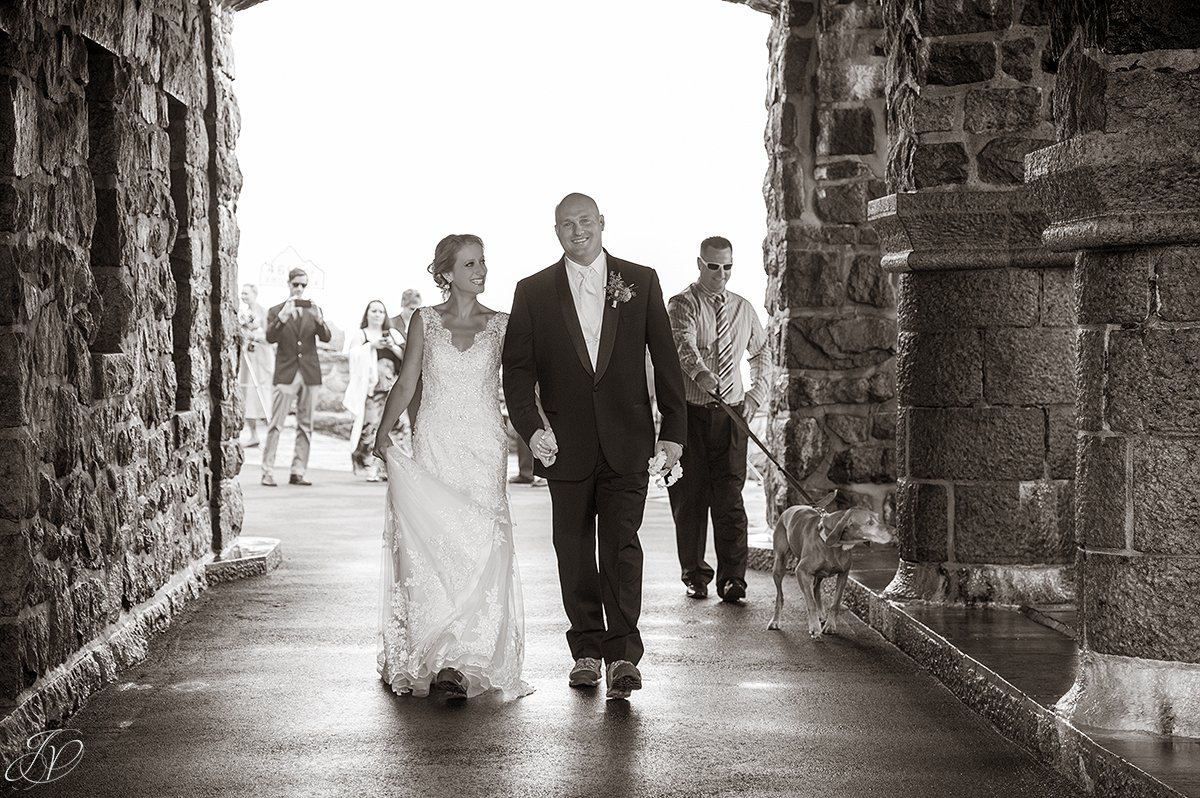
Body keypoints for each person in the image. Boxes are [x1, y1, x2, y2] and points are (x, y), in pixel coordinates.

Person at [502, 193, 687, 700]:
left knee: (622, 547)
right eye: (566, 224)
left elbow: (667, 363)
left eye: (585, 221)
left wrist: (673, 432)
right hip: (563, 445)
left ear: (602, 223)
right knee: (574, 549)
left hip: (629, 441)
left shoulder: (641, 280)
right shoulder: (532, 291)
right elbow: (517, 373)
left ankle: (623, 655)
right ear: (555, 231)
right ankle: (585, 649)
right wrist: (530, 428)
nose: (576, 229)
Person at [372, 234, 531, 701]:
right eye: (469, 264)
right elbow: (407, 382)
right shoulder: (424, 321)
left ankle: (470, 658)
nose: (480, 271)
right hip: (436, 439)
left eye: (482, 262)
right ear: (446, 273)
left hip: (483, 443)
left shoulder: (502, 324)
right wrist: (382, 433)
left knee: (483, 542)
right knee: (437, 542)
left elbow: (524, 381)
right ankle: (440, 656)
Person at [666, 236, 769, 603]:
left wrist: (757, 394)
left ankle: (733, 580)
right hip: (691, 416)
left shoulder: (743, 308)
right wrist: (703, 375)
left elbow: (761, 351)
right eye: (713, 266)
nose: (721, 274)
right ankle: (695, 575)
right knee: (690, 500)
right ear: (699, 263)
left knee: (730, 499)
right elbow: (683, 346)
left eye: (727, 266)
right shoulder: (682, 304)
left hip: (732, 417)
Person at [261, 268, 331, 487]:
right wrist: (282, 318)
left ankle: (298, 471)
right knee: (276, 424)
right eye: (296, 284)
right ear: (289, 284)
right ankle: (267, 471)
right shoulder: (275, 310)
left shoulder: (314, 310)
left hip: (309, 374)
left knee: (305, 425)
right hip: (286, 373)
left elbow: (326, 338)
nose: (300, 289)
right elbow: (270, 337)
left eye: (303, 285)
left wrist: (320, 321)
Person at [343, 300, 405, 481]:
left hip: (391, 388)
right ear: (367, 314)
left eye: (381, 311)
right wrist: (371, 346)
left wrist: (391, 346)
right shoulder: (361, 335)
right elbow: (353, 357)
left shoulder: (393, 334)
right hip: (371, 389)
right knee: (370, 427)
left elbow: (407, 354)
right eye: (374, 311)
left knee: (395, 427)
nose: (377, 314)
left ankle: (389, 467)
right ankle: (369, 466)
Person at [237, 283, 273, 448]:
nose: (244, 296)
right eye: (242, 294)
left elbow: (269, 336)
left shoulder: (263, 312)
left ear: (255, 294)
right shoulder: (241, 313)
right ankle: (253, 435)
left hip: (262, 358)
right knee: (248, 394)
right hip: (248, 357)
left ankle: (271, 434)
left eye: (247, 294)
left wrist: (254, 335)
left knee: (264, 394)